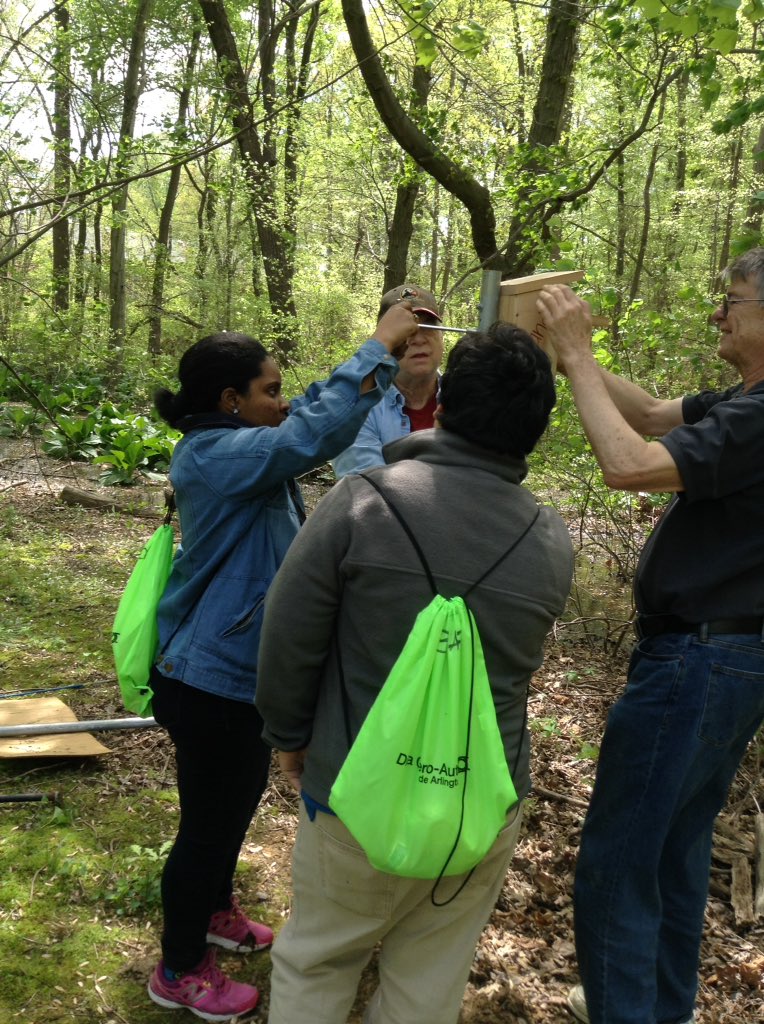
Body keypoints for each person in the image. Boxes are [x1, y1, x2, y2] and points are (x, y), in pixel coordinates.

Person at [255, 323, 574, 1024]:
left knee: (320, 959)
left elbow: (288, 637)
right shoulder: (550, 538)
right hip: (480, 805)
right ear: (538, 429)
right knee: (428, 978)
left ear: (449, 400)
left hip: (351, 790)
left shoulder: (363, 500)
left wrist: (289, 738)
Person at [145, 304, 418, 1022]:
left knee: (229, 811)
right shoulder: (216, 455)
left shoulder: (243, 453)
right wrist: (377, 347)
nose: (283, 399)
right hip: (207, 679)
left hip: (232, 673)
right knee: (206, 826)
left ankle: (214, 912)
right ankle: (177, 969)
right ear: (231, 400)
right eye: (270, 389)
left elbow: (308, 434)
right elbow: (312, 433)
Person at [535, 250, 764, 1024]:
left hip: (698, 662)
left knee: (617, 864)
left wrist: (574, 353)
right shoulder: (741, 403)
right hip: (724, 663)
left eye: (732, 300)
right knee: (671, 855)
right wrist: (580, 362)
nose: (717, 314)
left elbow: (629, 464)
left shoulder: (761, 416)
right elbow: (650, 416)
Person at [332, 284, 444, 477]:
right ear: (387, 339)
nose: (418, 339)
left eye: (428, 327)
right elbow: (368, 490)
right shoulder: (358, 405)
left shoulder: (467, 398)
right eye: (407, 328)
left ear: (442, 335)